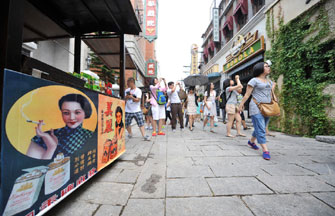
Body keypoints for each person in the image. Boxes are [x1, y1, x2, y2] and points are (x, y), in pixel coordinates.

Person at [27, 94, 94, 160]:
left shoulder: (90, 135)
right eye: (66, 113)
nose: (72, 118)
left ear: (85, 113)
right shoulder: (42, 138)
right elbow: (33, 167)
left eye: (77, 112)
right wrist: (51, 148)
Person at [238, 62, 274, 160]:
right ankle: (265, 150)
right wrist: (241, 105)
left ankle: (251, 141)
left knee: (260, 127)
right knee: (261, 128)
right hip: (256, 107)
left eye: (268, 66)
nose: (268, 68)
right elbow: (247, 95)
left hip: (267, 107)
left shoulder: (269, 82)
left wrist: (275, 102)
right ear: (260, 69)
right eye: (266, 66)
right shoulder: (253, 81)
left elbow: (271, 94)